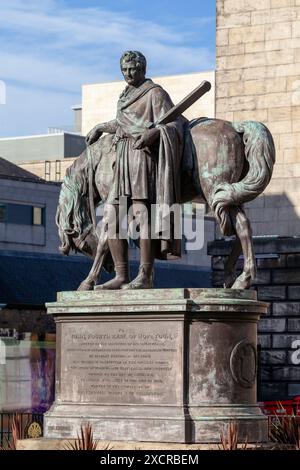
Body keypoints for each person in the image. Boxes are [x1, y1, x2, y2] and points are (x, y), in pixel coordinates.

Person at [86, 50, 186, 289]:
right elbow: (121, 124)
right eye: (124, 70)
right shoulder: (124, 96)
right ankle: (121, 275)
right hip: (123, 157)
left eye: (133, 69)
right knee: (112, 219)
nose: (128, 74)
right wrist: (101, 127)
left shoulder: (155, 93)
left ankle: (145, 275)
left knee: (143, 215)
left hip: (143, 158)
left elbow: (175, 123)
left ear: (143, 69)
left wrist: (153, 133)